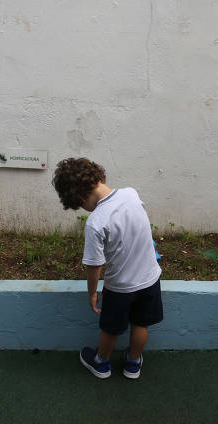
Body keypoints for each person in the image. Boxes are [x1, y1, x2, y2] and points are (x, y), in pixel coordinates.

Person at [52, 157, 162, 379]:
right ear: (99, 176)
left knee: (111, 328)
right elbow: (138, 227)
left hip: (120, 288)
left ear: (80, 198)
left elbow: (95, 265)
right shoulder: (132, 194)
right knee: (141, 324)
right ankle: (133, 364)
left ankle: (101, 363)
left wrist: (92, 292)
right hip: (150, 279)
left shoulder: (96, 221)